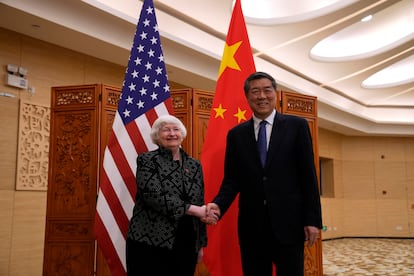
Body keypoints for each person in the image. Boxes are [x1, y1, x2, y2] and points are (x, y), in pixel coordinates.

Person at [207, 71, 322, 276]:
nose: (262, 96)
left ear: (275, 93)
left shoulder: (297, 126)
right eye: (255, 91)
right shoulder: (236, 135)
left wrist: (312, 220)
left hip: (289, 225)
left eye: (267, 90)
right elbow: (232, 180)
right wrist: (218, 204)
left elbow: (308, 176)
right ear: (247, 97)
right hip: (252, 227)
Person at [126, 115, 212, 276]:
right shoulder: (147, 160)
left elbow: (200, 201)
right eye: (166, 130)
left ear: (182, 134)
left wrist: (200, 244)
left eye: (176, 129)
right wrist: (193, 209)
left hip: (187, 240)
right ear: (157, 136)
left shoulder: (194, 165)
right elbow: (154, 196)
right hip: (149, 239)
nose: (172, 133)